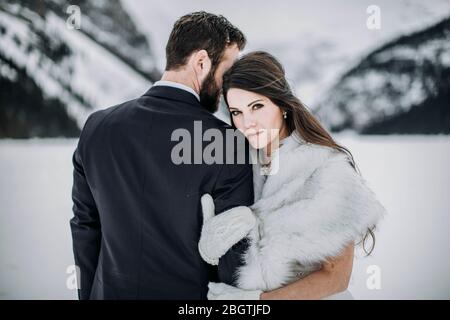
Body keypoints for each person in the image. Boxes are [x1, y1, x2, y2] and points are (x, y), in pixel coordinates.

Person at [70, 11, 253, 299]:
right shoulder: (226, 142)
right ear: (202, 62)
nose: (227, 86)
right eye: (226, 73)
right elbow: (233, 253)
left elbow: (86, 227)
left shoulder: (97, 127)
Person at [198, 51, 386, 300]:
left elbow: (336, 277)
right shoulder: (238, 165)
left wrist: (259, 301)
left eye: (257, 106)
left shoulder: (326, 169)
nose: (247, 122)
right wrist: (209, 243)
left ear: (282, 104)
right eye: (237, 112)